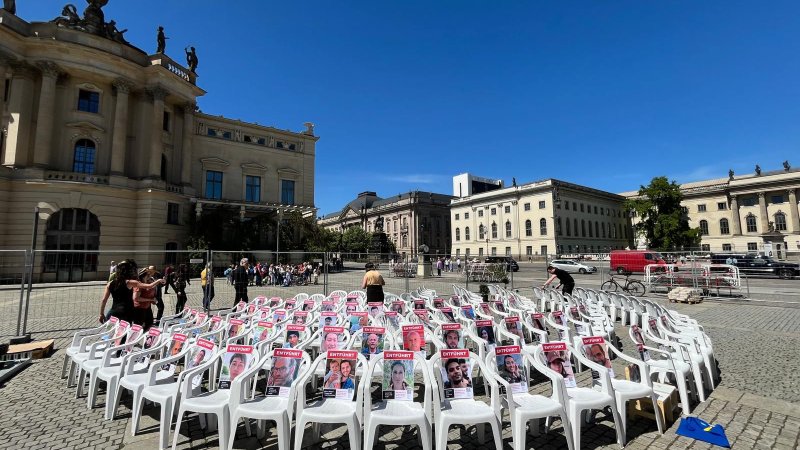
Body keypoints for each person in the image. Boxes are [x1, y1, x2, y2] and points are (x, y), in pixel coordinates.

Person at [98, 260, 165, 325]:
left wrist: (101, 314)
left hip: (113, 312)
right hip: (125, 313)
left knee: (111, 333)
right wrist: (159, 280)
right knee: (124, 334)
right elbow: (149, 286)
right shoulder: (130, 282)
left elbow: (104, 300)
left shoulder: (109, 283)